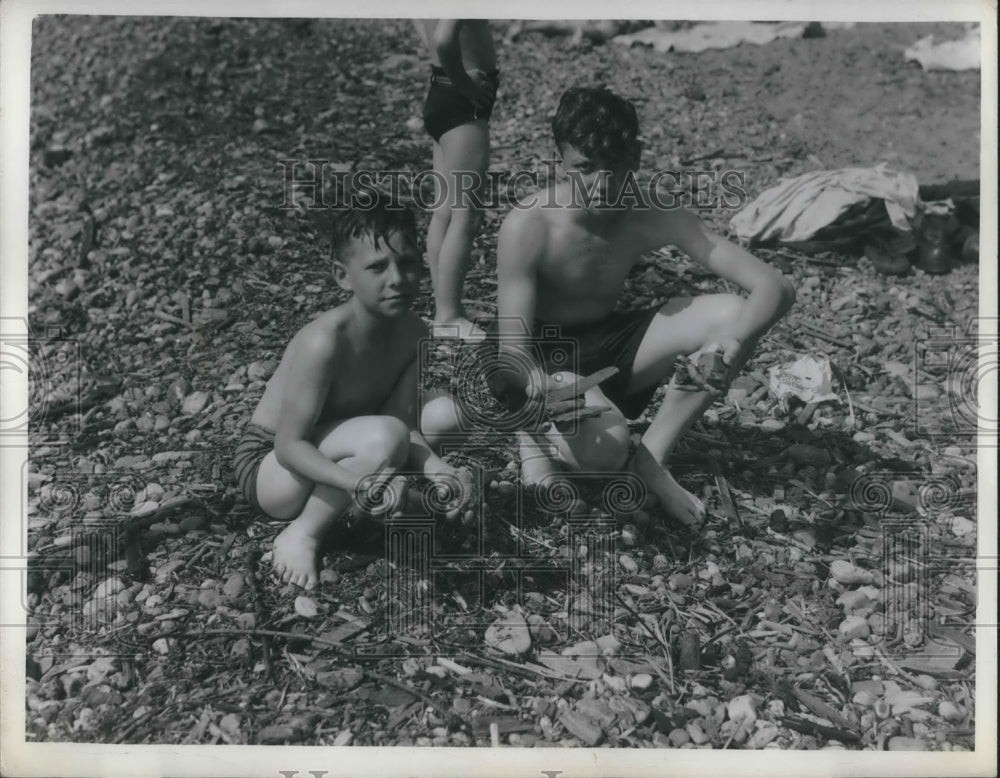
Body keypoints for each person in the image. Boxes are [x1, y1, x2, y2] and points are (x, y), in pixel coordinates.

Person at [494, 86, 796, 528]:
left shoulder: (650, 210)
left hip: (610, 346)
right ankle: (533, 436)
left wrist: (726, 346)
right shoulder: (530, 225)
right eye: (586, 168)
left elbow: (775, 286)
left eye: (615, 168)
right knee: (607, 451)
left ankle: (652, 461)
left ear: (635, 158)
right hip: (544, 360)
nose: (602, 185)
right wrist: (541, 388)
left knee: (733, 315)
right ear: (560, 159)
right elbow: (511, 356)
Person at [233, 195, 472, 589]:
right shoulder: (324, 342)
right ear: (343, 276)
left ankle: (365, 502)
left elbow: (403, 424)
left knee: (447, 416)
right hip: (271, 471)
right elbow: (288, 446)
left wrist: (440, 472)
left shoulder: (415, 333)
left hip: (338, 448)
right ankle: (303, 533)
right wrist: (356, 483)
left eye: (408, 263)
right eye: (377, 267)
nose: (397, 279)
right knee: (384, 438)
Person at [414, 19, 499, 340]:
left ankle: (445, 306)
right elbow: (446, 36)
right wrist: (465, 83)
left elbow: (426, 26)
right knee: (466, 217)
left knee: (445, 211)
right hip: (461, 101)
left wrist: (448, 69)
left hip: (441, 89)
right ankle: (449, 315)